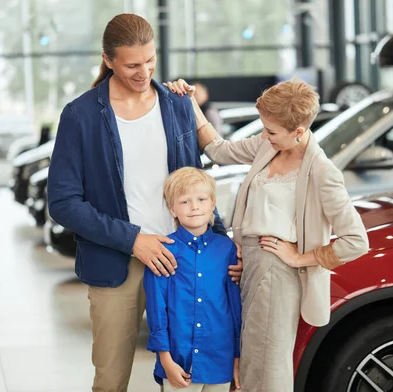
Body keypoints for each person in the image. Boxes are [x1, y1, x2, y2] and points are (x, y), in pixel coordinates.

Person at [46, 14, 239, 392]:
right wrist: (134, 240)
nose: (144, 71)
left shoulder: (177, 105)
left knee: (191, 372)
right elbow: (63, 202)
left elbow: (194, 183)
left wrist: (224, 245)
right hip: (117, 263)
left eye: (150, 61)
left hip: (184, 259)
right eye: (133, 64)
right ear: (108, 60)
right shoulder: (81, 116)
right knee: (112, 376)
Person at [164, 78, 369, 391]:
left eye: (272, 131)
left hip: (278, 275)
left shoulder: (321, 171)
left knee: (268, 368)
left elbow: (356, 240)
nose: (265, 135)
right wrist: (191, 101)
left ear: (299, 132)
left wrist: (300, 257)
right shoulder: (267, 146)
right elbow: (219, 150)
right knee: (248, 364)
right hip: (248, 266)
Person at [144, 167, 241, 392]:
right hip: (178, 361)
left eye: (201, 199)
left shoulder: (227, 249)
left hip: (220, 357)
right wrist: (165, 360)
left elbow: (236, 308)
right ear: (172, 209)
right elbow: (156, 309)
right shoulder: (162, 251)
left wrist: (237, 355)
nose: (194, 206)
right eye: (185, 201)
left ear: (212, 203)